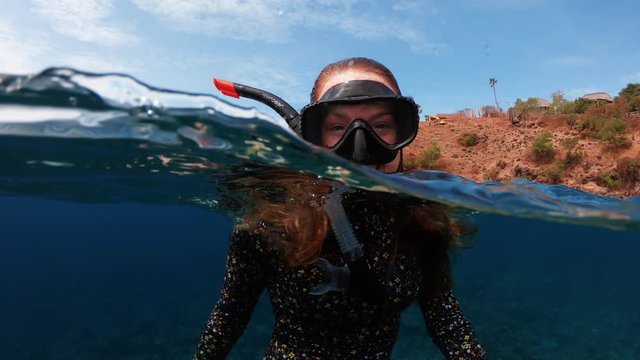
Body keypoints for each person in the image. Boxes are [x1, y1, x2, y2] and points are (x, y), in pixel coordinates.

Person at [195, 57, 487, 359]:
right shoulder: (273, 220)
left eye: (382, 125)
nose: (360, 149)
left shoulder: (423, 221)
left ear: (402, 134)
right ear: (314, 139)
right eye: (337, 127)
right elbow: (229, 316)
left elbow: (448, 323)